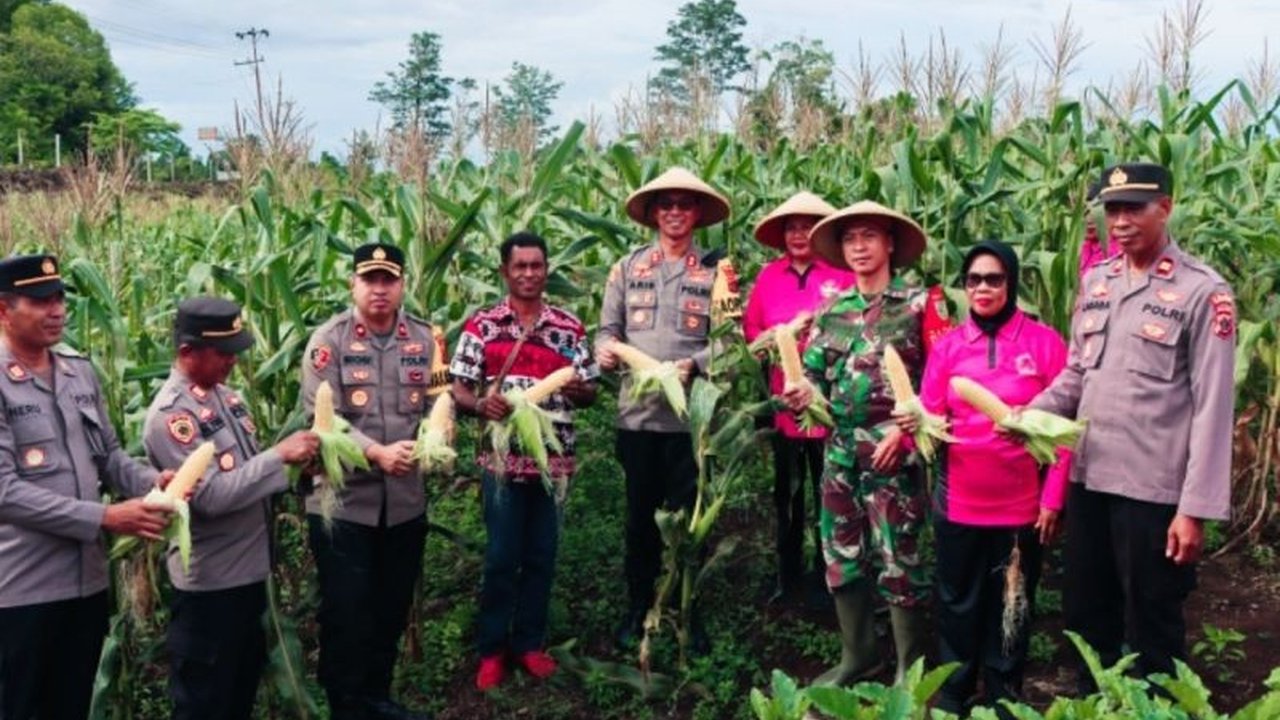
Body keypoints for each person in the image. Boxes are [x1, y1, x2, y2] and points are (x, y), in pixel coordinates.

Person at [1027, 162, 1235, 689]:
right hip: (1091, 480)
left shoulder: (1202, 292)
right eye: (1112, 209)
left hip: (1154, 490)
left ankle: (1154, 703)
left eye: (1133, 208)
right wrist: (1030, 415)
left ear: (1165, 207)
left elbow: (1213, 408)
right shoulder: (1098, 282)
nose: (1119, 221)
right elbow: (1077, 373)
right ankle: (1093, 697)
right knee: (1086, 609)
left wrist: (1194, 510)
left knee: (1152, 618)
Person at [0, 253, 173, 720]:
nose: (56, 310)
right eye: (39, 301)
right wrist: (105, 517)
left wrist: (154, 480)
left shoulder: (79, 372)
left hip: (86, 585)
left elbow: (110, 458)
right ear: (3, 310)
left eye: (59, 298)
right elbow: (4, 492)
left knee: (71, 706)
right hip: (20, 590)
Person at [784, 201, 940, 685]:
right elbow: (811, 375)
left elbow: (940, 378)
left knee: (900, 558)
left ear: (890, 243)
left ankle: (908, 667)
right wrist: (800, 393)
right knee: (841, 553)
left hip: (896, 450)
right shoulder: (831, 310)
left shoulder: (920, 304)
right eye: (850, 239)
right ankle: (859, 656)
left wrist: (907, 430)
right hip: (840, 453)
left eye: (869, 237)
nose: (859, 247)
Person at [143, 297, 320, 720]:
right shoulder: (172, 419)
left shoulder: (228, 399)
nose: (233, 362)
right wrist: (279, 456)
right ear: (187, 353)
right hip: (210, 589)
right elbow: (210, 499)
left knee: (239, 695)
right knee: (207, 703)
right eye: (223, 353)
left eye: (235, 351)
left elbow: (248, 479)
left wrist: (299, 470)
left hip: (247, 578)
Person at [912, 240, 1070, 714]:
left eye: (994, 279)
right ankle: (956, 691)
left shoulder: (1044, 343)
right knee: (957, 603)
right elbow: (930, 419)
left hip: (1021, 508)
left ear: (1012, 283)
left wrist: (1053, 499)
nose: (983, 288)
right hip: (959, 502)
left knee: (1013, 604)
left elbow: (1064, 431)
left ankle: (1004, 692)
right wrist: (914, 427)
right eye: (974, 279)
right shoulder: (949, 348)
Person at [595, 167, 741, 651]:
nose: (675, 212)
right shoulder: (626, 267)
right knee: (640, 519)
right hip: (637, 421)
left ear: (698, 213)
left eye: (685, 204)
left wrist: (693, 365)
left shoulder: (719, 271)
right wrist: (605, 351)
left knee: (688, 517)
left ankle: (686, 607)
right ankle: (638, 605)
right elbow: (606, 332)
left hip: (691, 423)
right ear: (654, 213)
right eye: (666, 204)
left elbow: (731, 342)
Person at [300, 243, 446, 720]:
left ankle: (377, 698)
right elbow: (324, 422)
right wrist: (377, 453)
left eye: (388, 280)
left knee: (389, 606)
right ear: (354, 285)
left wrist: (432, 440)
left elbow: (436, 408)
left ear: (403, 284)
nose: (379, 289)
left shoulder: (424, 340)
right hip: (344, 506)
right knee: (347, 610)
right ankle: (345, 703)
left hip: (405, 503)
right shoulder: (330, 342)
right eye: (370, 280)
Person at [451, 232, 599, 691]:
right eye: (521, 267)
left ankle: (529, 644)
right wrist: (480, 406)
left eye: (537, 266)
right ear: (505, 272)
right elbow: (457, 387)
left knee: (541, 555)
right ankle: (492, 649)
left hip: (554, 466)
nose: (530, 274)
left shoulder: (570, 328)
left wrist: (580, 390)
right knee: (500, 558)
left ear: (546, 270)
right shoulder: (483, 326)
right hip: (501, 463)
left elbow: (591, 389)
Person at [742, 191, 854, 606]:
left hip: (831, 408)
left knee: (833, 495)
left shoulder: (841, 275)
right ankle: (787, 577)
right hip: (785, 407)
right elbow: (751, 335)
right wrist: (778, 337)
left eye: (807, 226)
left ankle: (833, 578)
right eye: (791, 227)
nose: (798, 233)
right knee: (787, 497)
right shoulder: (769, 277)